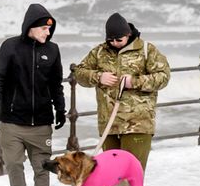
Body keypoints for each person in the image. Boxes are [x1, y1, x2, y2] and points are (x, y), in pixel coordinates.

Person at [0, 3, 66, 186]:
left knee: (42, 168)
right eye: (44, 29)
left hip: (41, 122)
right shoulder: (10, 47)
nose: (48, 33)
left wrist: (60, 109)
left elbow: (56, 84)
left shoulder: (52, 50)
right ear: (32, 27)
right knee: (13, 164)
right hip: (11, 121)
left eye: (50, 29)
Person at [71, 12, 172, 167]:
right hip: (109, 126)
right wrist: (99, 77)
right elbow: (79, 73)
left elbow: (163, 77)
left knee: (130, 179)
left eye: (119, 39)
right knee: (112, 180)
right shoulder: (99, 52)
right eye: (111, 40)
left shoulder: (146, 50)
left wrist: (134, 81)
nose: (115, 43)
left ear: (128, 34)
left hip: (137, 125)